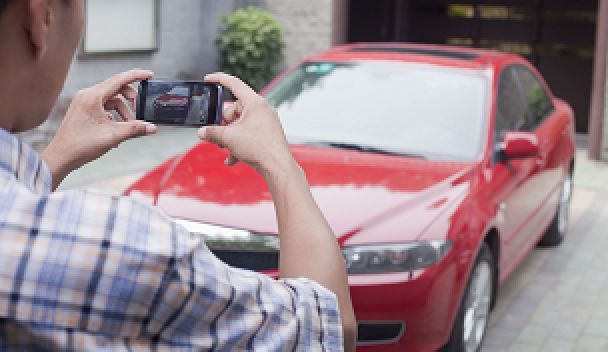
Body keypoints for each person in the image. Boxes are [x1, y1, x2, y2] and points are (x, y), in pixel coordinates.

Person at [0, 0, 356, 350]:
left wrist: (54, 161)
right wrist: (280, 163)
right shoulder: (123, 244)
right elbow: (329, 327)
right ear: (40, 19)